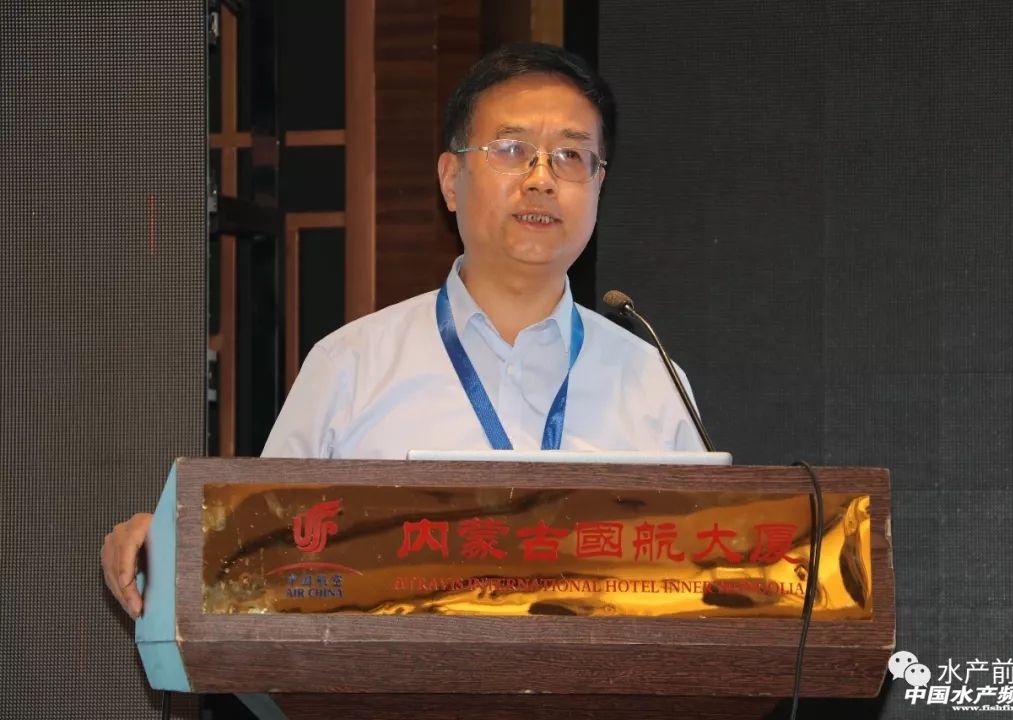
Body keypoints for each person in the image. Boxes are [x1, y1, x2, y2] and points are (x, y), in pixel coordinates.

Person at [101, 42, 705, 619]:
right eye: (511, 148)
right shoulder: (349, 365)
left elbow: (709, 583)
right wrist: (170, 551)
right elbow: (261, 561)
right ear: (450, 179)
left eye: (571, 155)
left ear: (599, 184)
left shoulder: (655, 382)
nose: (542, 178)